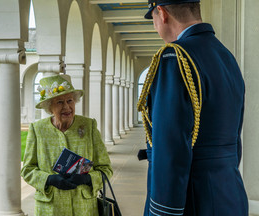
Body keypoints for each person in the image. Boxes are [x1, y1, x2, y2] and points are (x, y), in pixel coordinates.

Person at [137, 0, 249, 215]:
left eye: (152, 19)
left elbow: (171, 147)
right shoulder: (226, 56)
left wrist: (163, 211)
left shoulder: (174, 57)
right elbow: (234, 139)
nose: (155, 26)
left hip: (192, 199)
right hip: (229, 191)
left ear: (161, 13)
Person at [21, 74, 113, 216]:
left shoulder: (89, 126)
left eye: (70, 100)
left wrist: (88, 179)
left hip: (84, 208)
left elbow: (106, 169)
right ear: (49, 107)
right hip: (50, 209)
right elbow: (27, 170)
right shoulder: (37, 129)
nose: (67, 107)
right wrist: (49, 179)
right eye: (59, 102)